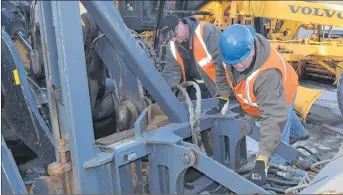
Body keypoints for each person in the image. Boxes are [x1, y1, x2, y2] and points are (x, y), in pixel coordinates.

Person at [217, 24, 309, 186]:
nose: (237, 66)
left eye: (241, 62)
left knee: (279, 127)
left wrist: (263, 158)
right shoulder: (231, 52)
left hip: (284, 90)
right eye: (233, 63)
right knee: (285, 114)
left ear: (252, 49)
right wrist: (224, 95)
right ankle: (299, 131)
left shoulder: (267, 74)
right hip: (270, 96)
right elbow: (220, 68)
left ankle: (277, 172)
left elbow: (272, 117)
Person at [159, 15, 225, 101]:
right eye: (171, 38)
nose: (174, 39)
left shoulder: (207, 31)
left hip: (217, 88)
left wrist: (224, 92)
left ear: (181, 24)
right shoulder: (172, 45)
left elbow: (223, 63)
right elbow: (172, 72)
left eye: (175, 34)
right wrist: (166, 97)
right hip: (195, 89)